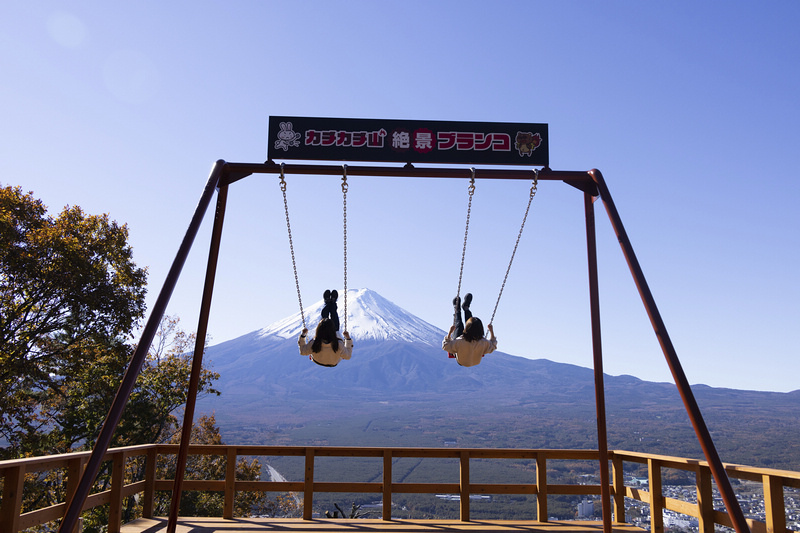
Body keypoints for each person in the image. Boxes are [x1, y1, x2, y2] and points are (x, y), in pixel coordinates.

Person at [298, 290, 352, 367]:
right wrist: (348, 339)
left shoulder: (314, 343)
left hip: (317, 360)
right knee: (333, 328)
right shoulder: (338, 344)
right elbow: (348, 356)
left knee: (327, 325)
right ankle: (331, 304)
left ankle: (329, 303)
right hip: (333, 361)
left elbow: (303, 351)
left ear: (318, 330)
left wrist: (303, 336)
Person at [443, 293, 497, 367]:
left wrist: (450, 332)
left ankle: (458, 310)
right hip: (475, 361)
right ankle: (465, 308)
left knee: (458, 325)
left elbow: (446, 346)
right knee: (471, 323)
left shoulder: (459, 341)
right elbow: (493, 345)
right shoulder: (483, 343)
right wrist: (491, 331)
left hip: (461, 361)